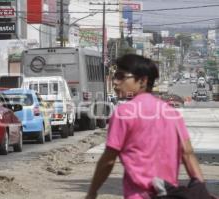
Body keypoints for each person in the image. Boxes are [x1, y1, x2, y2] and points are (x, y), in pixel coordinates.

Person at [86, 54, 204, 199]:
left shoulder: (124, 113)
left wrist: (92, 192)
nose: (115, 82)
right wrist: (201, 188)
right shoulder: (171, 113)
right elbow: (187, 153)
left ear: (142, 81)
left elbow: (109, 159)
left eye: (121, 76)